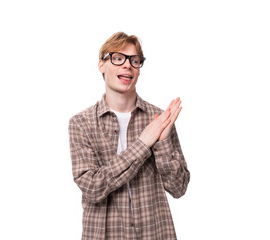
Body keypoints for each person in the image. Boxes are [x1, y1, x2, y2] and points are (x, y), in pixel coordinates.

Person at [68, 32, 190, 240]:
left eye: (134, 60)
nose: (127, 65)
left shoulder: (159, 119)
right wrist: (143, 143)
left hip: (156, 233)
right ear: (101, 65)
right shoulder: (81, 123)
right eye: (118, 58)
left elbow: (178, 188)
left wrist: (161, 144)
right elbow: (93, 188)